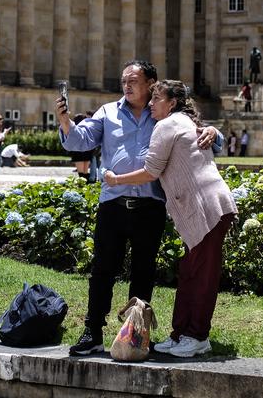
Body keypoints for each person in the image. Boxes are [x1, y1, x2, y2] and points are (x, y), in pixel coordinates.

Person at [57, 59, 222, 356]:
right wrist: (66, 121)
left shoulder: (162, 113)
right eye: (124, 81)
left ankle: (136, 335)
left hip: (150, 204)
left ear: (151, 84)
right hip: (113, 204)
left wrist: (213, 131)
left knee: (143, 273)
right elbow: (78, 142)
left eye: (134, 80)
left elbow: (198, 131)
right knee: (102, 271)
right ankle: (93, 332)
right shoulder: (108, 112)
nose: (127, 85)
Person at [104, 80, 238, 358]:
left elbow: (151, 171)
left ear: (172, 103)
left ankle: (197, 336)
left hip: (207, 208)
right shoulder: (182, 121)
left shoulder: (168, 125)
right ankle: (181, 335)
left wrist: (116, 180)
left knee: (201, 275)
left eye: (156, 98)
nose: (151, 103)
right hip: (204, 207)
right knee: (191, 271)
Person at [68, 113, 94, 180]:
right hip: (87, 151)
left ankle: (82, 188)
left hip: (78, 152)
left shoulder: (74, 129)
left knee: (81, 174)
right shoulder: (87, 128)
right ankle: (87, 187)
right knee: (85, 173)